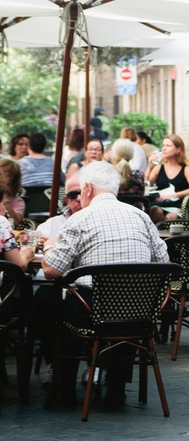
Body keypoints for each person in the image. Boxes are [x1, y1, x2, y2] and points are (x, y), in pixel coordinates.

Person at [41, 160, 169, 408]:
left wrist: (49, 246)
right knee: (124, 306)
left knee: (59, 309)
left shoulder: (78, 220)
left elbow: (51, 271)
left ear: (87, 188)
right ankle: (116, 390)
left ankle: (65, 389)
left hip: (92, 312)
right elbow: (164, 262)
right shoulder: (141, 216)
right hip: (141, 312)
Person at [146, 135, 189, 222]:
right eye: (163, 145)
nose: (164, 148)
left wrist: (174, 195)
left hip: (176, 205)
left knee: (170, 217)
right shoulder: (159, 168)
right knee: (156, 211)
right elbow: (146, 185)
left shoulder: (186, 169)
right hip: (159, 203)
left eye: (168, 146)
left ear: (178, 149)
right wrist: (149, 167)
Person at [37, 171, 84, 242]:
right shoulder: (51, 224)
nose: (78, 198)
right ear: (67, 200)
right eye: (73, 194)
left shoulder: (100, 222)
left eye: (82, 193)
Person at [0, 158, 24, 224]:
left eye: (6, 175)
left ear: (13, 180)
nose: (1, 176)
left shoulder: (17, 201)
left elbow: (15, 223)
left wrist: (4, 199)